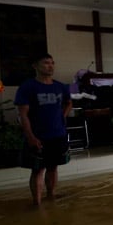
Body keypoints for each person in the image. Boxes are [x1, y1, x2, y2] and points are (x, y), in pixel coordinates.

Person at [15, 53, 72, 206]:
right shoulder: (28, 87)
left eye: (52, 63)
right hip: (38, 135)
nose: (50, 66)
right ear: (35, 66)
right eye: (46, 63)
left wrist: (63, 116)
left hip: (57, 134)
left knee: (53, 167)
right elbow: (23, 115)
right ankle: (37, 203)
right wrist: (30, 137)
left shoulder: (60, 86)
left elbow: (69, 102)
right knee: (38, 169)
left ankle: (52, 196)